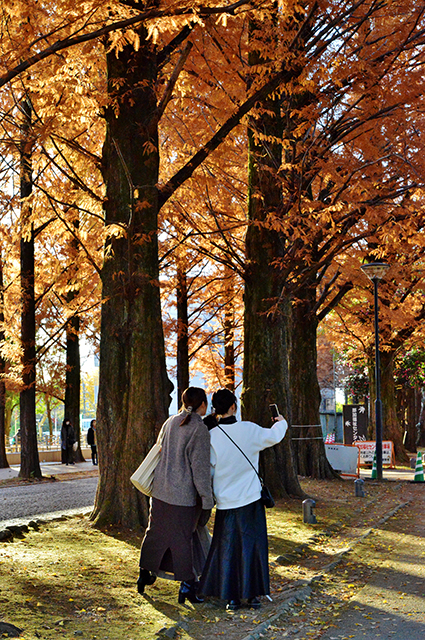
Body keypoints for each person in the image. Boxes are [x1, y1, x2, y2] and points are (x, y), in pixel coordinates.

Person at [199, 388, 288, 611]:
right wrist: (281, 422)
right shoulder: (249, 429)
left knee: (227, 548)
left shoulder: (212, 436)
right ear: (233, 407)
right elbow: (274, 436)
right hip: (250, 499)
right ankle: (254, 596)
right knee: (253, 547)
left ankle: (232, 598)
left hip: (226, 501)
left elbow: (209, 470)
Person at [137, 387, 214, 604]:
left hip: (161, 491)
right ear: (202, 405)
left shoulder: (170, 422)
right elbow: (200, 469)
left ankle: (144, 573)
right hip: (183, 496)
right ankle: (187, 586)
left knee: (155, 534)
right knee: (182, 541)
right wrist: (207, 500)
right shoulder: (199, 430)